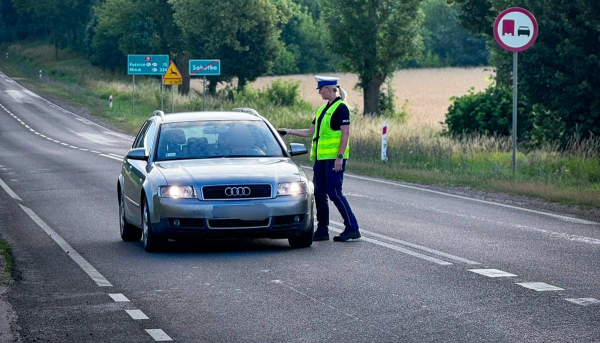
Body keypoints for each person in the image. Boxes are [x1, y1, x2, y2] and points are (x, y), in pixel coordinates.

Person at [278, 76, 360, 242]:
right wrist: (288, 131)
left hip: (334, 159)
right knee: (319, 193)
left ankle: (352, 227)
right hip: (321, 159)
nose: (319, 92)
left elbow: (346, 133)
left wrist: (340, 157)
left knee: (334, 192)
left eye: (320, 89)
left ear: (328, 89)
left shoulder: (341, 108)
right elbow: (310, 132)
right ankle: (322, 229)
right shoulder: (323, 109)